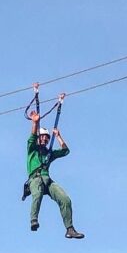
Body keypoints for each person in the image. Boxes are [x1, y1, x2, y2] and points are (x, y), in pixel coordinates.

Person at [25, 86, 85, 239]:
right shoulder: (32, 149)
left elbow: (65, 151)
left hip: (47, 179)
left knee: (65, 199)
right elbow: (32, 136)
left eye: (46, 138)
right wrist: (35, 123)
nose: (45, 139)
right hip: (35, 179)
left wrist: (58, 136)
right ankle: (34, 220)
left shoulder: (48, 153)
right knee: (37, 194)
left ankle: (69, 229)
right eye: (43, 137)